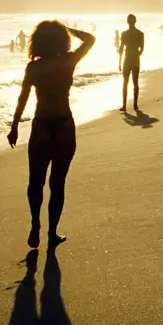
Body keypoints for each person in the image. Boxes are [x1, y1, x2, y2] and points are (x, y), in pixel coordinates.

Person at [8, 22, 95, 248]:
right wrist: (69, 29)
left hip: (41, 125)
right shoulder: (68, 61)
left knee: (35, 181)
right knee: (58, 183)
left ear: (37, 41)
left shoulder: (33, 68)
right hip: (64, 124)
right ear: (61, 40)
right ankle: (52, 233)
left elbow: (23, 98)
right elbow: (90, 39)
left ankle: (35, 224)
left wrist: (14, 126)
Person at [118, 14, 145, 112]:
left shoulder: (140, 34)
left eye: (131, 21)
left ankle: (134, 105)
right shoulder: (124, 34)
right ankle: (126, 105)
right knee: (127, 82)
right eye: (130, 21)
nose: (130, 22)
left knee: (134, 82)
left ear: (134, 21)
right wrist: (119, 62)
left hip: (132, 59)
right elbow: (121, 48)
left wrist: (136, 55)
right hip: (130, 59)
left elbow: (142, 48)